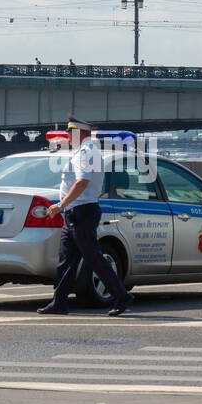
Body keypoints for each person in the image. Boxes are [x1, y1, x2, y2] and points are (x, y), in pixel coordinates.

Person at [38, 114, 134, 317]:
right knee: (66, 261)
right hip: (74, 213)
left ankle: (121, 295)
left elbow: (82, 182)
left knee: (94, 258)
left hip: (82, 212)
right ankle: (59, 303)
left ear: (79, 133)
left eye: (69, 133)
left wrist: (60, 205)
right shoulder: (84, 152)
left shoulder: (86, 153)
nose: (67, 138)